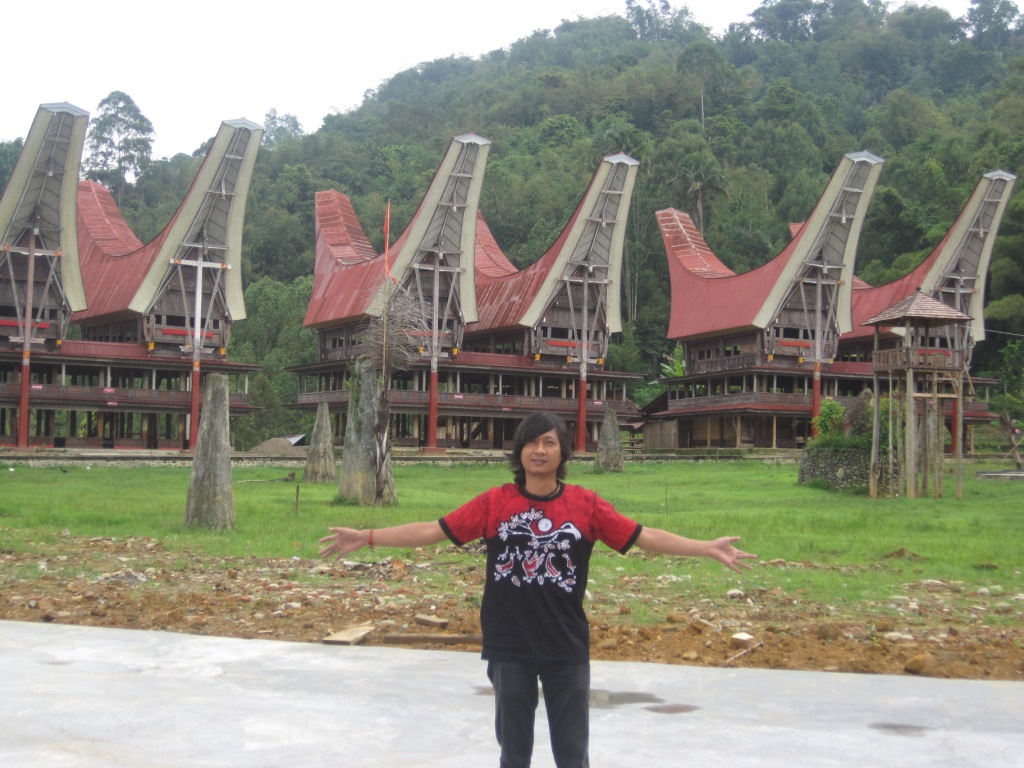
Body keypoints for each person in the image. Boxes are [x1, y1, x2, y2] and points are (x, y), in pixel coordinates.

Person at [319, 412, 755, 768]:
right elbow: (432, 531)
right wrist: (368, 536)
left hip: (566, 645)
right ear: (519, 451)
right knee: (514, 755)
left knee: (571, 755)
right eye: (531, 442)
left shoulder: (585, 505)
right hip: (510, 646)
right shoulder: (495, 502)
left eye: (549, 442)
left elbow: (643, 536)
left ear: (563, 450)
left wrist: (706, 548)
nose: (539, 450)